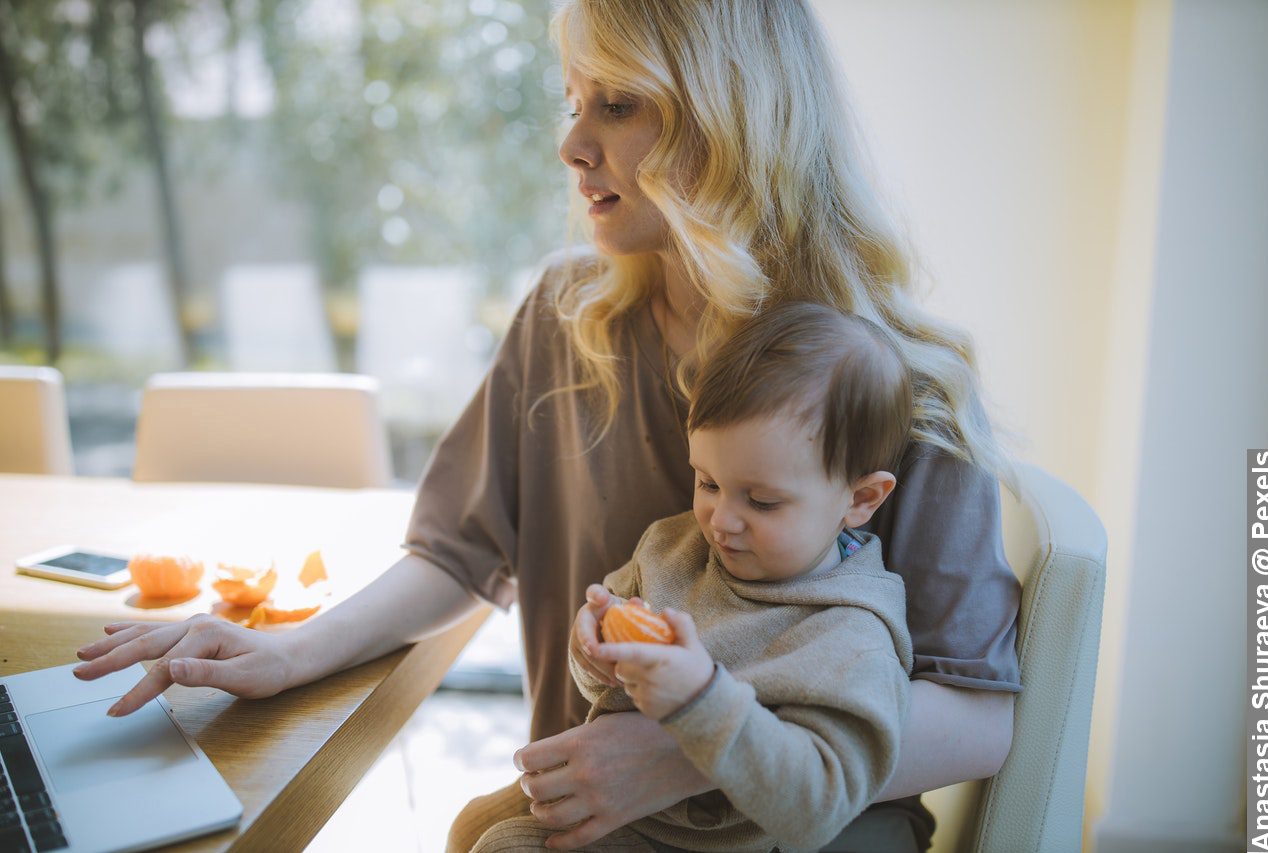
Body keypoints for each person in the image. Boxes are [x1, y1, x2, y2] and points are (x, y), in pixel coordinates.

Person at [71, 1, 1022, 850]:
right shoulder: (568, 318)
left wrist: (688, 753)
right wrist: (291, 649)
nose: (572, 144)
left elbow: (979, 716)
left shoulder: (900, 374)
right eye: (574, 102)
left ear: (731, 119)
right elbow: (457, 553)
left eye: (618, 105)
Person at [473, 302, 916, 853]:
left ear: (861, 498)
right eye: (707, 482)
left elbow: (817, 808)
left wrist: (701, 700)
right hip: (618, 813)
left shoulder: (850, 637)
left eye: (761, 501)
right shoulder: (673, 547)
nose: (719, 521)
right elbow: (604, 690)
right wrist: (594, 652)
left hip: (702, 845)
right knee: (478, 831)